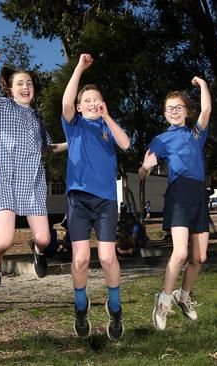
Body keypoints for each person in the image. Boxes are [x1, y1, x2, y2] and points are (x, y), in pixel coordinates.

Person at [0, 41, 67, 282]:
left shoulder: (36, 118)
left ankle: (37, 252)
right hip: (5, 180)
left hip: (33, 182)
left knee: (45, 239)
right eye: (20, 83)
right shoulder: (2, 107)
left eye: (29, 83)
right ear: (10, 90)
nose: (26, 87)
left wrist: (71, 144)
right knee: (4, 240)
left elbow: (46, 148)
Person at [62, 54, 131, 342]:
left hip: (105, 202)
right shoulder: (74, 125)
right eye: (86, 101)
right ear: (80, 107)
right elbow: (66, 103)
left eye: (96, 100)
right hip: (78, 200)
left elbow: (126, 143)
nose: (91, 103)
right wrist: (79, 68)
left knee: (106, 258)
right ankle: (81, 307)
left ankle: (115, 309)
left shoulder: (106, 127)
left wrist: (106, 116)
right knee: (79, 261)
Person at [139, 76, 211, 331]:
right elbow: (142, 172)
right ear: (164, 113)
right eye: (169, 108)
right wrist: (146, 167)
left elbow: (207, 110)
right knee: (180, 253)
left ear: (186, 110)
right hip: (179, 194)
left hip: (199, 195)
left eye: (178, 107)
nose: (174, 111)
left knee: (200, 257)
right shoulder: (161, 139)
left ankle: (184, 295)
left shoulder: (196, 133)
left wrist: (203, 86)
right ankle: (164, 301)